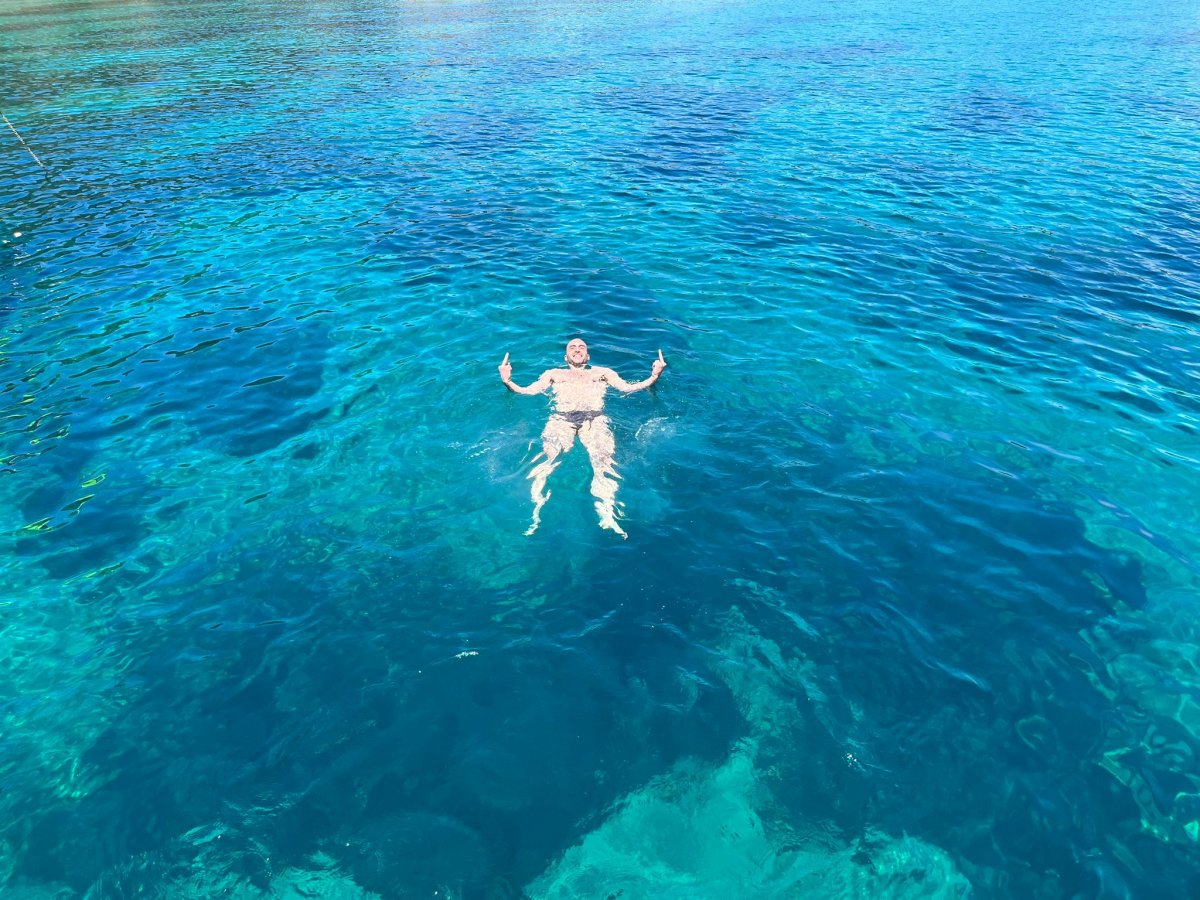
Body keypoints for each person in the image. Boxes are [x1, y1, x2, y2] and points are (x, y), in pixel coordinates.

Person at [499, 338, 666, 538]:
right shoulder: (554, 373)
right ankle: (536, 510)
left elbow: (627, 388)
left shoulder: (603, 372)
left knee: (603, 464)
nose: (577, 349)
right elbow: (530, 391)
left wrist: (654, 376)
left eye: (581, 347)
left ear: (588, 355)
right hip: (561, 420)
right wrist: (508, 381)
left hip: (595, 420)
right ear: (565, 356)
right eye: (572, 347)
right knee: (547, 460)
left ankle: (607, 512)